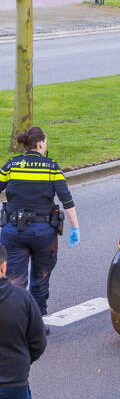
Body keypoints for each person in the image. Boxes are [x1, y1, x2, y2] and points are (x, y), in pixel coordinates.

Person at [0, 127, 80, 324]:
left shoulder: (11, 165)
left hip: (13, 231)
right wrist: (75, 228)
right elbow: (67, 200)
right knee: (40, 280)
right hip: (43, 233)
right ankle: (38, 323)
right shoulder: (51, 167)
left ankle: (15, 324)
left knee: (14, 282)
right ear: (41, 143)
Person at [0, 245, 48, 399]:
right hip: (13, 385)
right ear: (4, 266)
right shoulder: (23, 299)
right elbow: (38, 343)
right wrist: (21, 364)